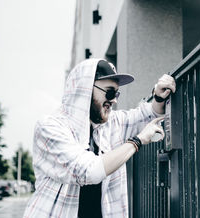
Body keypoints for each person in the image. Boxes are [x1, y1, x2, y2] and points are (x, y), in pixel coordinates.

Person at [23, 58, 176, 218]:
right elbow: (88, 171)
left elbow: (146, 115)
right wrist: (137, 142)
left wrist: (158, 97)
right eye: (110, 92)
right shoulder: (50, 127)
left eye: (117, 93)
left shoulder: (110, 124)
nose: (114, 100)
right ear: (85, 90)